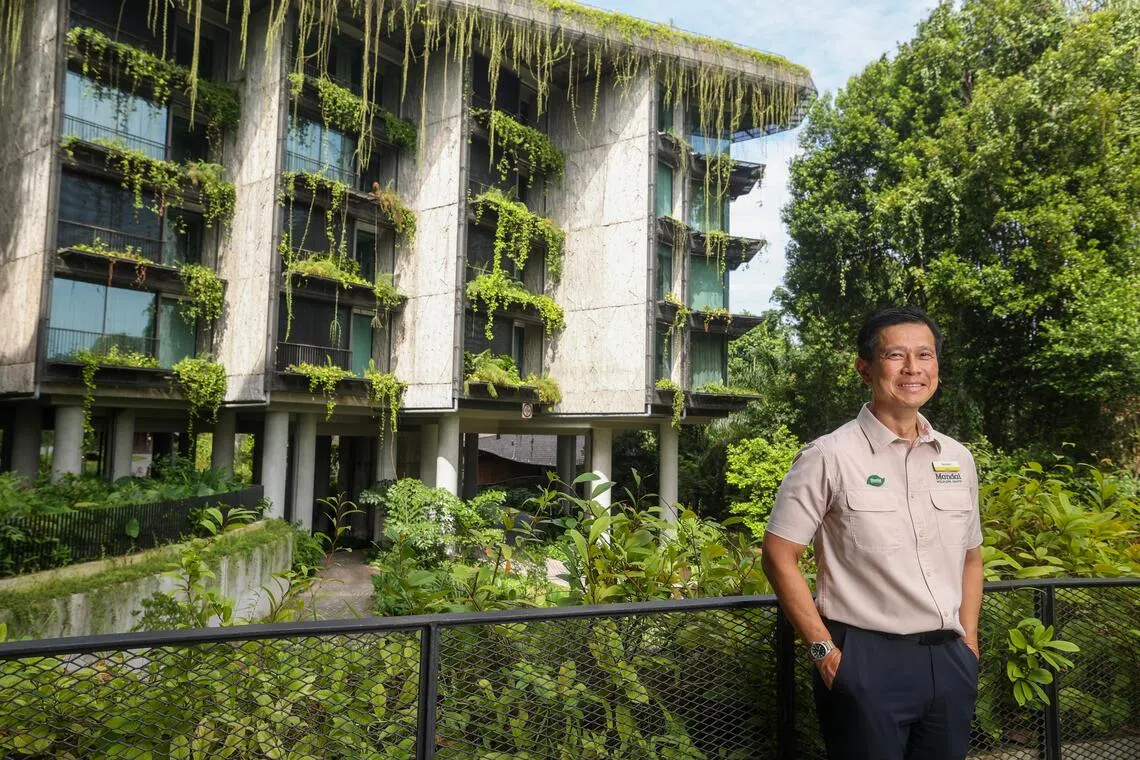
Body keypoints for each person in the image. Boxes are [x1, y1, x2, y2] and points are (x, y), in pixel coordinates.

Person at [761, 306, 983, 760]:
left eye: (925, 355)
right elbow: (778, 555)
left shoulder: (958, 459)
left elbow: (971, 558)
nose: (913, 368)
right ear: (865, 367)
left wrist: (970, 643)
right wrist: (823, 649)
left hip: (949, 660)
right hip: (865, 661)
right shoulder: (828, 456)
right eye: (896, 355)